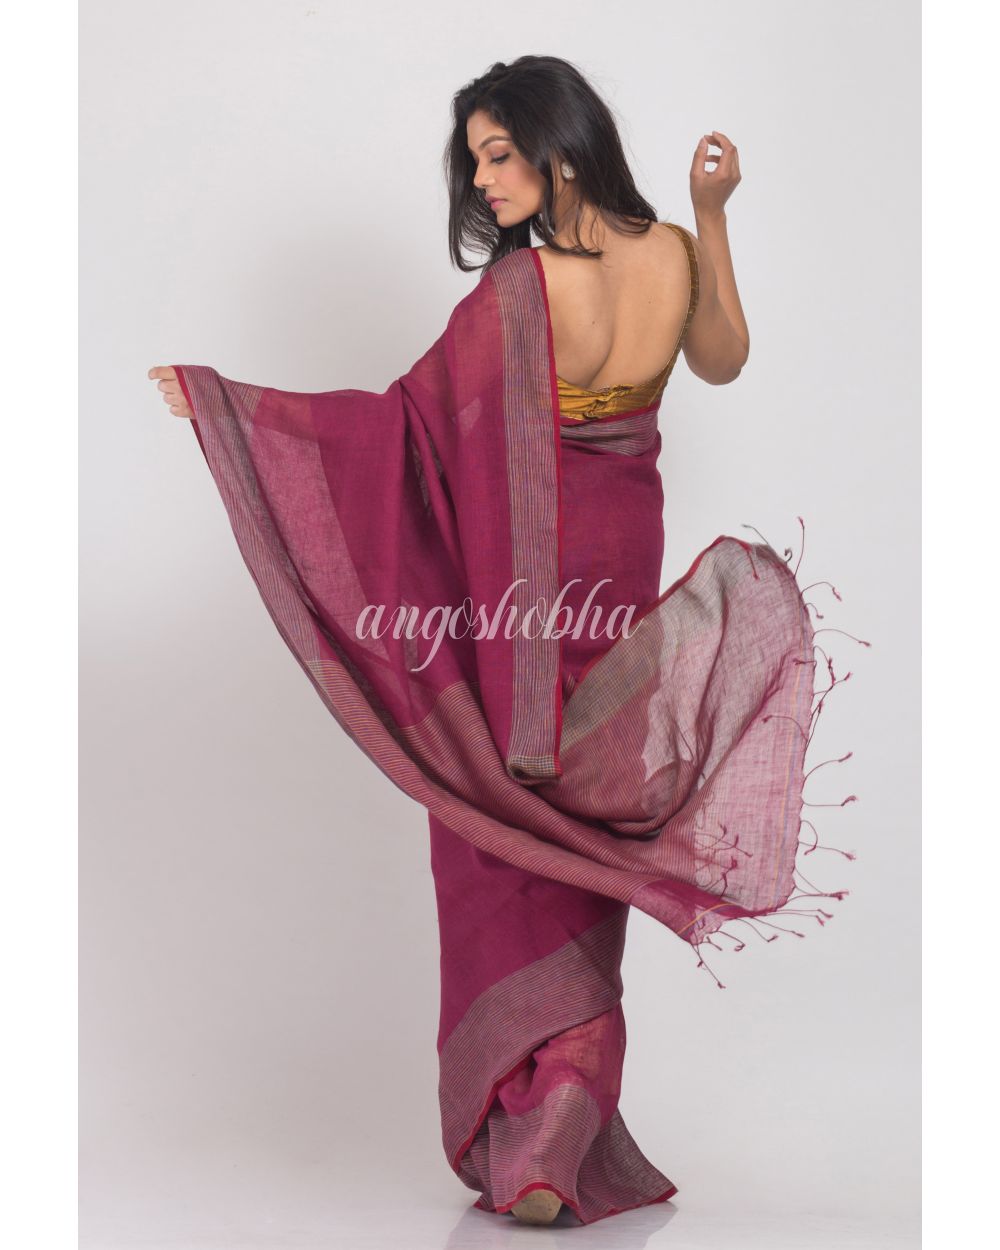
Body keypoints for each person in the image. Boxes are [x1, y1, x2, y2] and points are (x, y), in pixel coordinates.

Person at [148, 56, 851, 1228]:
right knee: (591, 815)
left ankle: (529, 1135)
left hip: (520, 597)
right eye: (474, 160)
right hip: (616, 576)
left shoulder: (519, 292)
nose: (481, 180)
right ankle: (562, 1121)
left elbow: (396, 434)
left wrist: (235, 411)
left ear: (558, 147)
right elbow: (722, 358)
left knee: (491, 821)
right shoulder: (671, 255)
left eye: (497, 153)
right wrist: (711, 216)